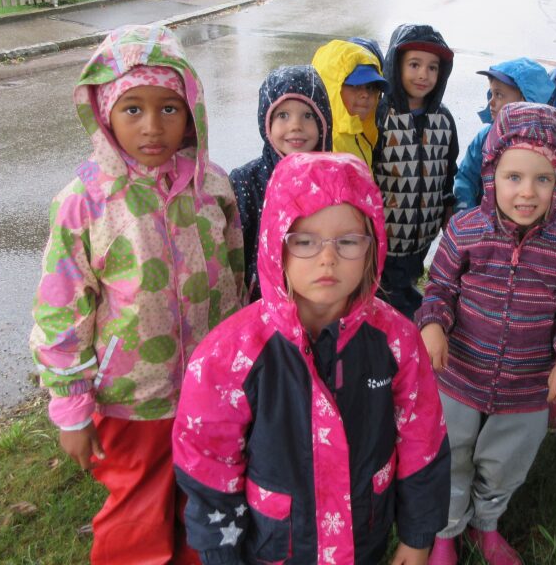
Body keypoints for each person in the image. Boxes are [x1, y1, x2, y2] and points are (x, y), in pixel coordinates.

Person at [29, 24, 246, 565]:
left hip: (208, 388)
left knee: (205, 497)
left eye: (170, 108)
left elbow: (237, 281)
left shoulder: (212, 187)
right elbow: (61, 311)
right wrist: (73, 408)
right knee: (138, 509)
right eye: (133, 109)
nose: (153, 126)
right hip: (130, 398)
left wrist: (243, 367)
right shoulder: (84, 204)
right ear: (104, 113)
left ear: (191, 109)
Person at [172, 152, 450, 565]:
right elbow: (208, 461)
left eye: (348, 241)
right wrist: (220, 552)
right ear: (274, 245)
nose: (327, 258)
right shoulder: (230, 355)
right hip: (275, 548)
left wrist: (417, 535)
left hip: (363, 540)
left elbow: (422, 442)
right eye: (304, 240)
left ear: (373, 245)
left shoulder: (398, 342)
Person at [417, 102, 556, 565]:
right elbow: (439, 287)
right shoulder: (465, 229)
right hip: (457, 375)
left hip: (527, 388)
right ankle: (445, 531)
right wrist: (433, 324)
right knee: (450, 455)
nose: (527, 193)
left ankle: (485, 525)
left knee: (505, 462)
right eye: (514, 177)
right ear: (492, 174)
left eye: (543, 179)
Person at [373, 23, 459, 319]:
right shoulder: (380, 117)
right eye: (414, 64)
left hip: (422, 234)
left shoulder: (443, 119)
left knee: (407, 286)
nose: (424, 75)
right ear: (395, 66)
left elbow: (449, 169)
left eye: (433, 67)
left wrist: (448, 205)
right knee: (384, 301)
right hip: (385, 236)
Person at [229, 64, 332, 301]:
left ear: (324, 121)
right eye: (283, 115)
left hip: (320, 299)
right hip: (262, 303)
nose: (296, 126)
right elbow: (236, 254)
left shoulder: (334, 179)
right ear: (266, 121)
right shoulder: (246, 181)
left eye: (308, 115)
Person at [453, 57, 556, 214]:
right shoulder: (486, 137)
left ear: (526, 100)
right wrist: (467, 215)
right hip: (485, 226)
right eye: (491, 94)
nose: (491, 103)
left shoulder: (547, 144)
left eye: (499, 95)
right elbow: (466, 178)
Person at [312, 39, 388, 168]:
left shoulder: (359, 134)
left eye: (370, 87)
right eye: (355, 85)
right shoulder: (328, 145)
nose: (365, 94)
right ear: (331, 89)